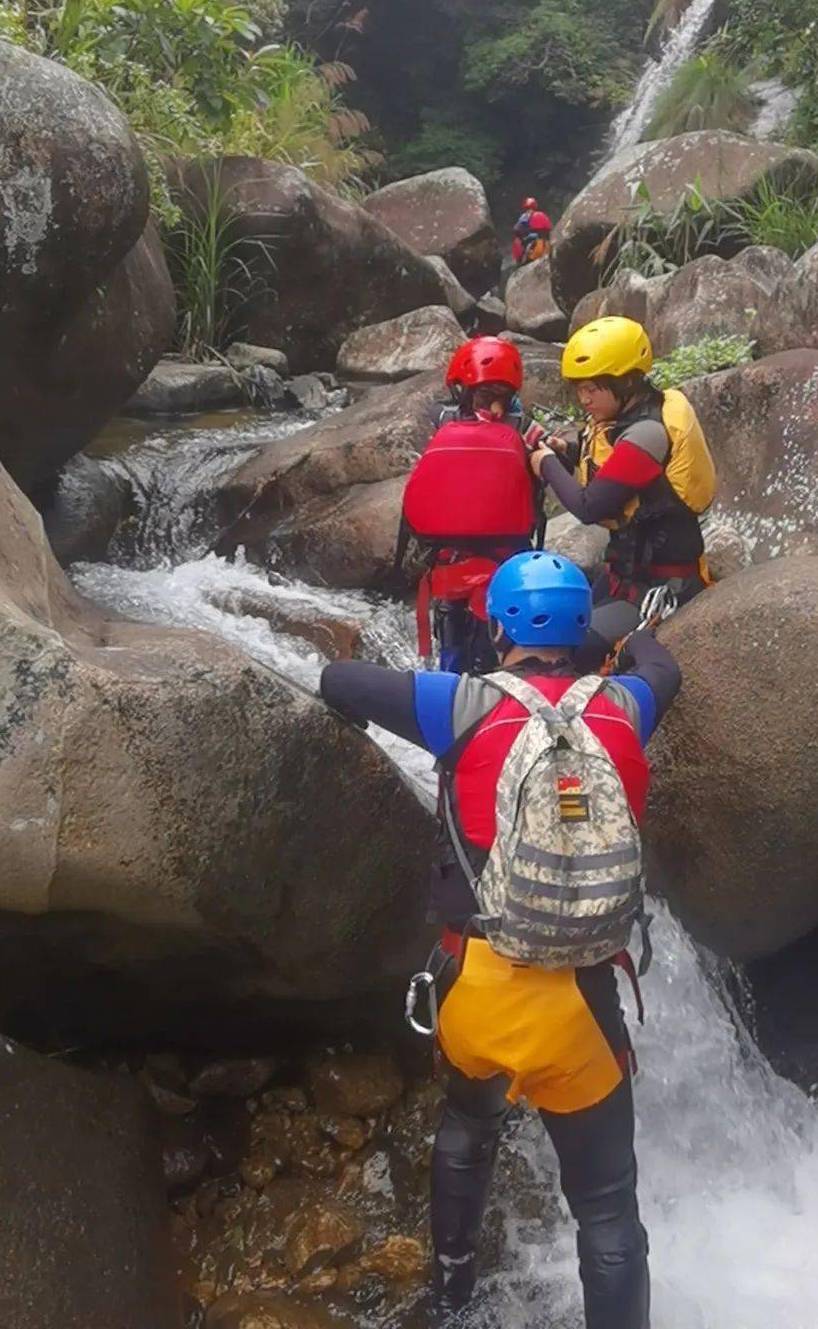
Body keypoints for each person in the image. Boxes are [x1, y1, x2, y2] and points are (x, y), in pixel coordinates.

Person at [320, 549, 682, 1327]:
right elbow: (664, 666)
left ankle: (451, 1295)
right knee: (608, 1209)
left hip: (476, 989)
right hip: (579, 1011)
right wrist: (628, 638)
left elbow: (336, 682)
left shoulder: (458, 705)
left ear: (496, 623)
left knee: (467, 1125)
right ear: (581, 627)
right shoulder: (626, 704)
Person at [529, 316, 716, 606]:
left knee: (576, 645)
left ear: (627, 381)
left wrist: (546, 462)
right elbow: (619, 468)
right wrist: (566, 448)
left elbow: (589, 506)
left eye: (592, 389)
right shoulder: (638, 413)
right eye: (579, 389)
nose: (584, 399)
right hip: (629, 570)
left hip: (661, 586)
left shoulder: (647, 434)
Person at [398, 337, 546, 672]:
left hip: (497, 561)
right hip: (456, 560)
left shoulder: (522, 426)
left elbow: (550, 449)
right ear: (463, 393)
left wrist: (551, 452)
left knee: (490, 648)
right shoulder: (445, 419)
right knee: (453, 641)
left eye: (504, 399)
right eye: (485, 397)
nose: (495, 409)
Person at [511, 195, 553, 267]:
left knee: (519, 241)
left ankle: (520, 263)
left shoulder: (526, 216)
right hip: (547, 246)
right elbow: (549, 229)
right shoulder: (542, 215)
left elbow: (516, 229)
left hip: (535, 249)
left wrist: (523, 238)